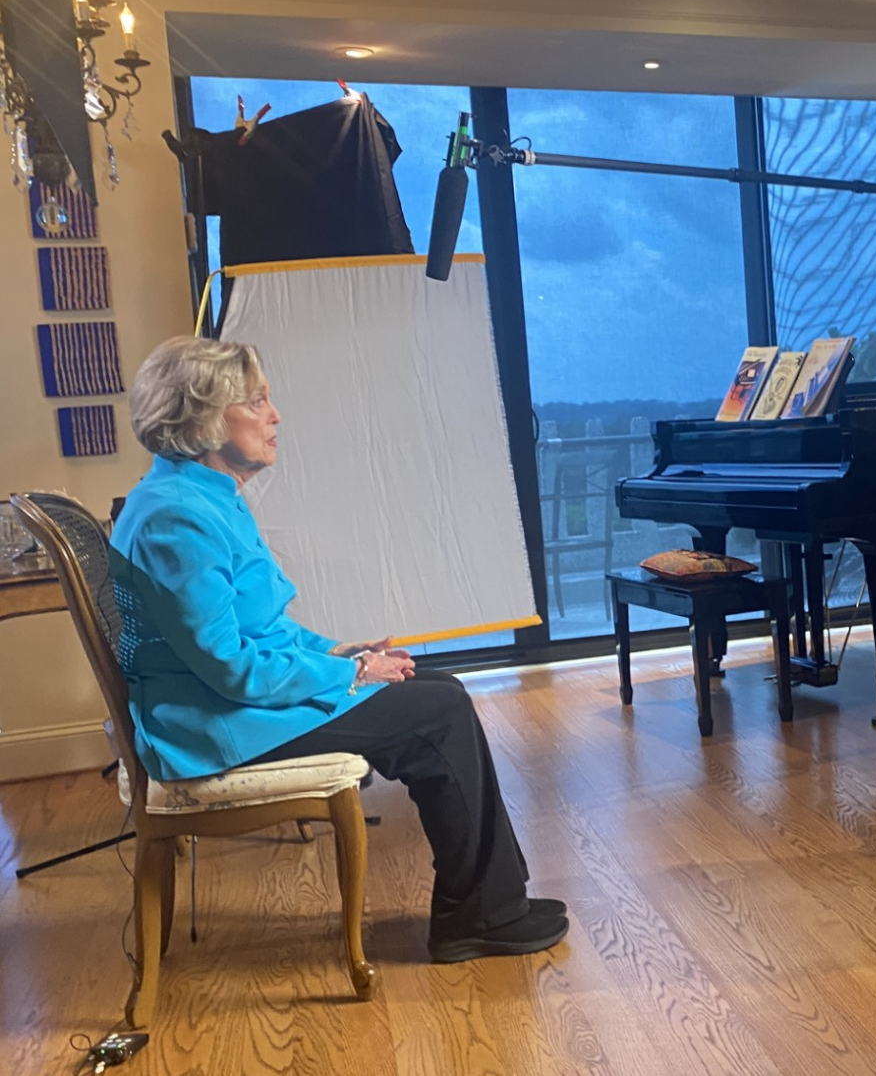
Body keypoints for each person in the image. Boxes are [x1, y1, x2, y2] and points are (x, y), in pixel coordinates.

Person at [111, 335, 566, 963]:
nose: (276, 415)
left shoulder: (199, 497)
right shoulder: (177, 518)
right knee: (439, 716)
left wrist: (340, 654)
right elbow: (232, 669)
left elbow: (261, 629)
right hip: (212, 724)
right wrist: (350, 672)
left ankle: (491, 900)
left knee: (442, 690)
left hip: (219, 703)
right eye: (258, 401)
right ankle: (478, 915)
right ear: (206, 419)